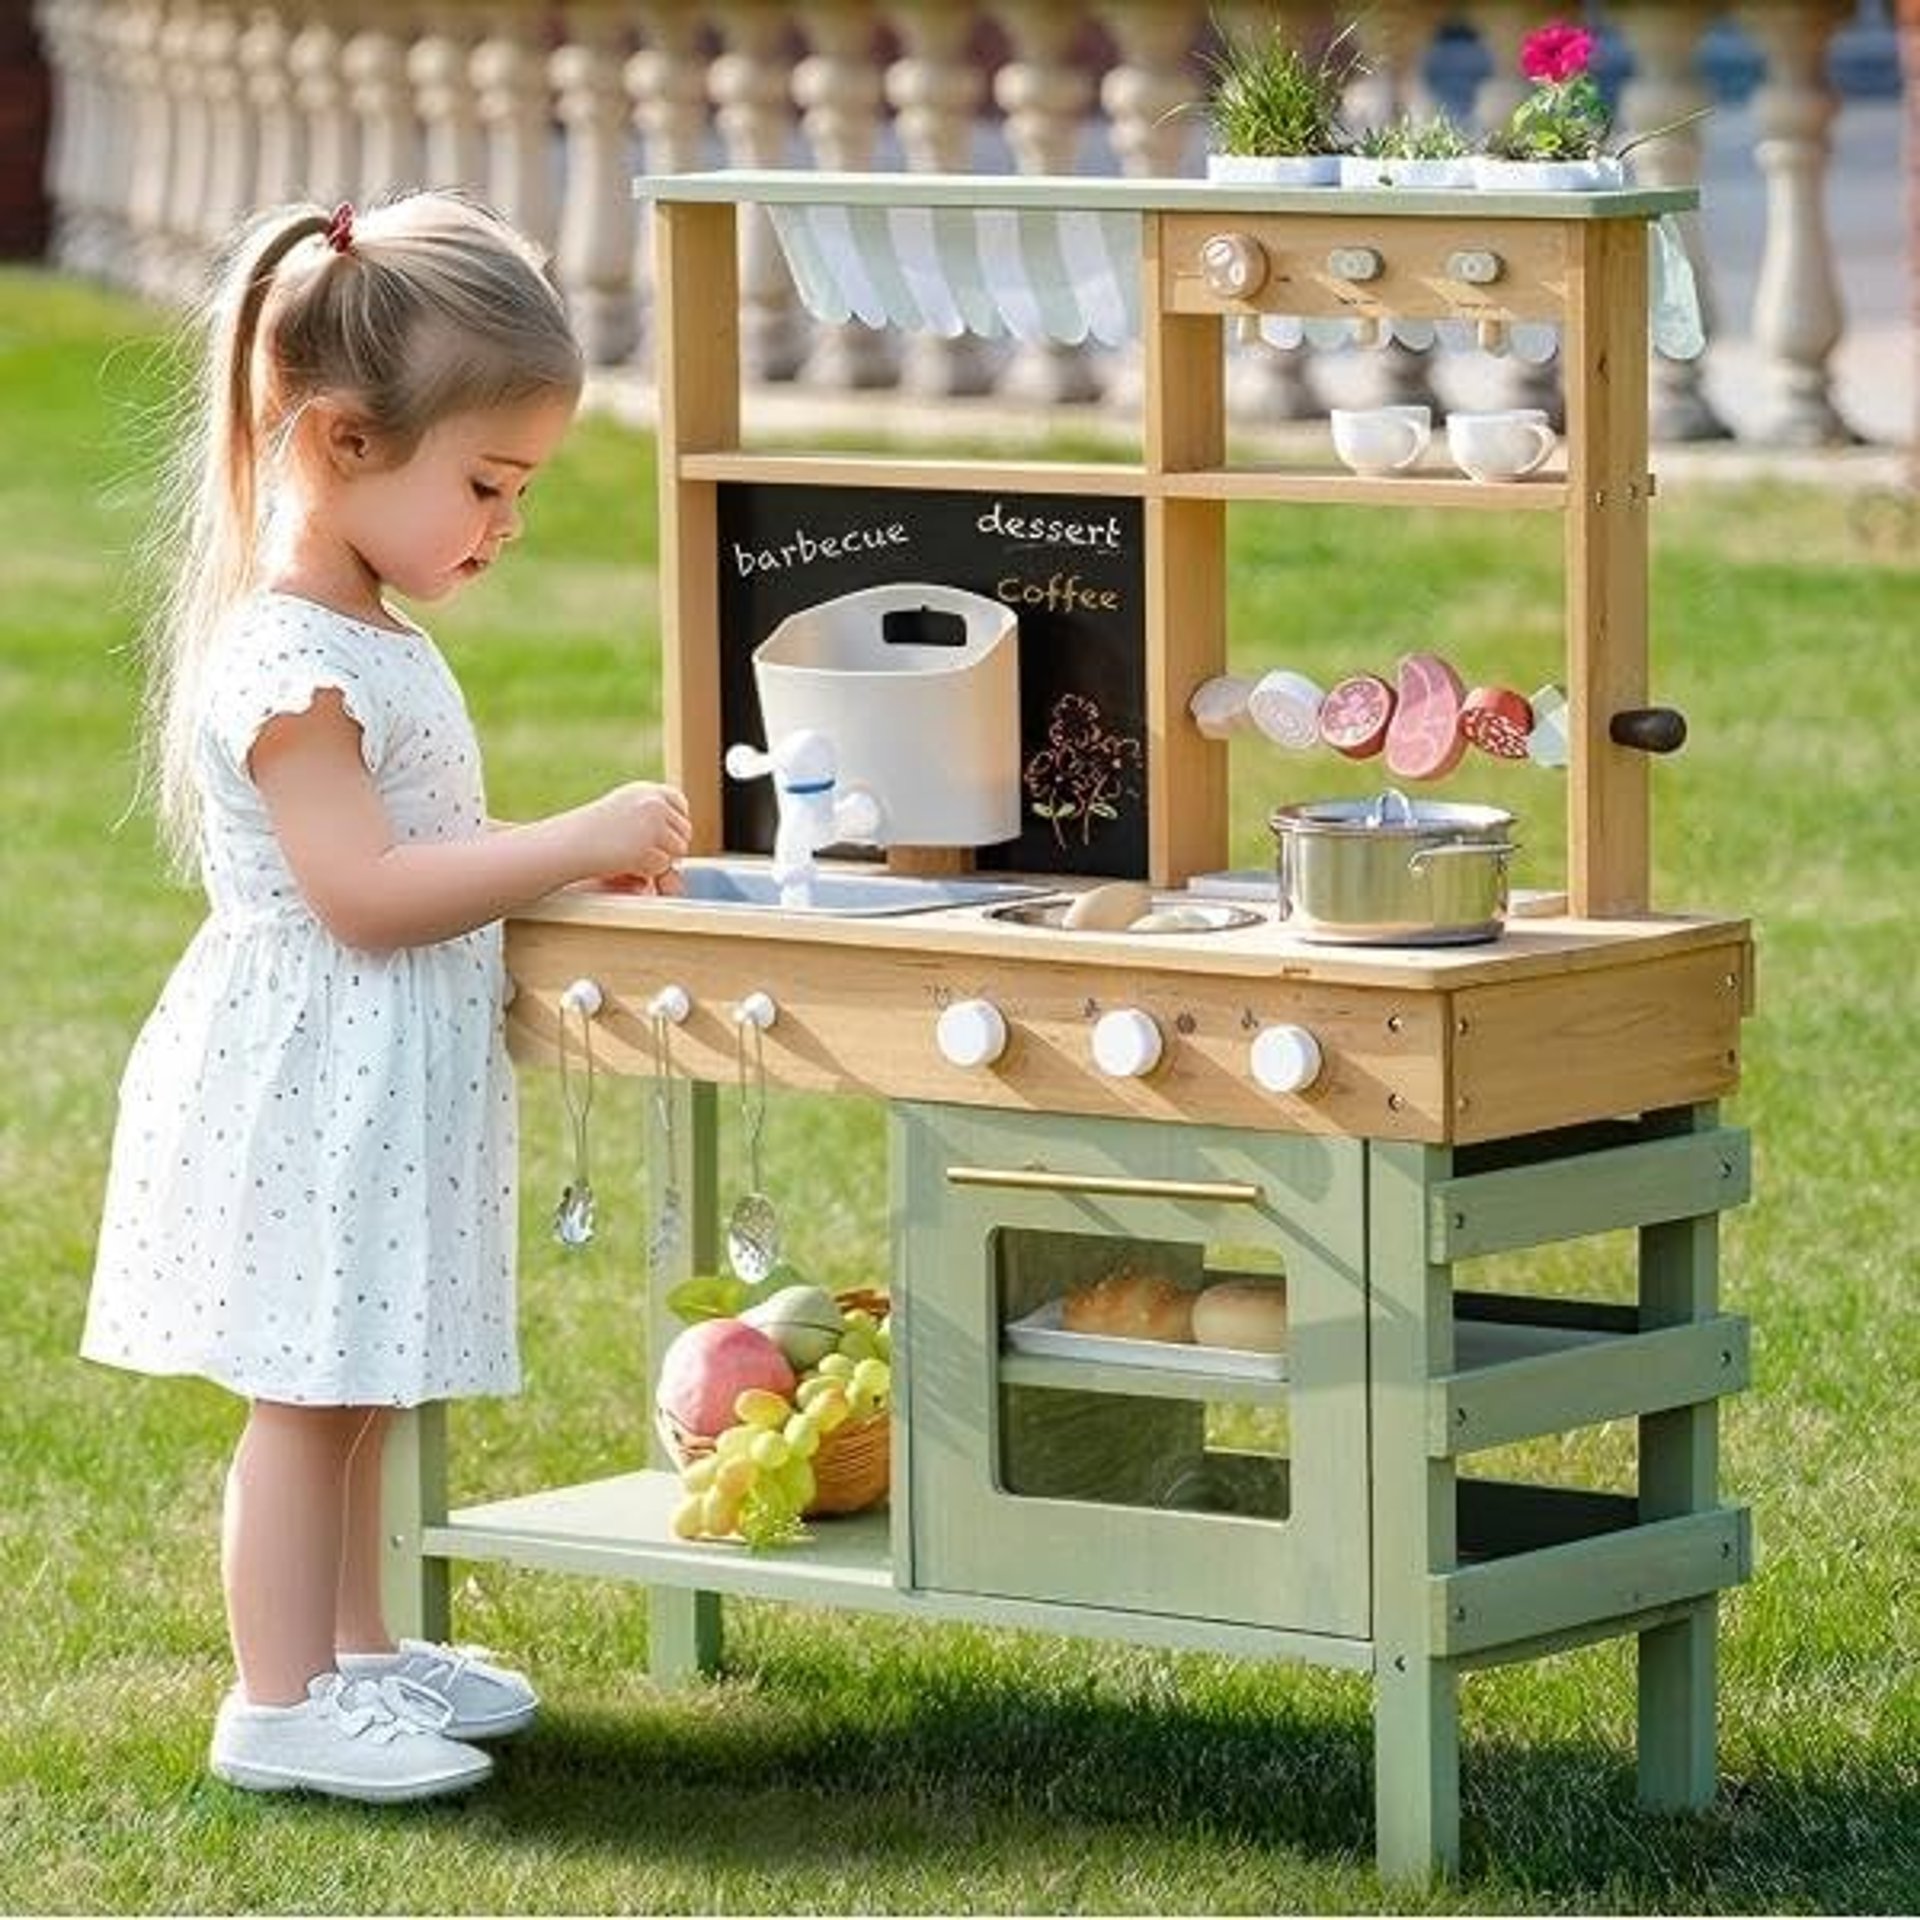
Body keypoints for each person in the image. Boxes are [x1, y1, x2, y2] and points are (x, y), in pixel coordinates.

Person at [81, 192, 690, 1804]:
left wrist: (549, 878)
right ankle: (277, 1700)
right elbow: (359, 893)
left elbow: (413, 847)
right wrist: (572, 836)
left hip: (372, 1074)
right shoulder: (294, 661)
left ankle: (354, 1657)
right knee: (305, 1394)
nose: (507, 523)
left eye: (521, 491)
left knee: (355, 1378)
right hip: (313, 1079)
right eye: (487, 484)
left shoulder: (365, 627)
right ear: (345, 441)